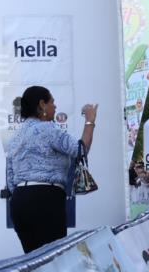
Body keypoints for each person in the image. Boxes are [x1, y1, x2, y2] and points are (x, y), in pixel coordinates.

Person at [6, 86, 97, 253]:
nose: (55, 106)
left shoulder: (15, 137)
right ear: (42, 104)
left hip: (19, 202)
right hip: (45, 200)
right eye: (52, 101)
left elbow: (10, 177)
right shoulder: (48, 129)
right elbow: (80, 150)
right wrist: (90, 120)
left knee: (32, 261)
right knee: (52, 260)